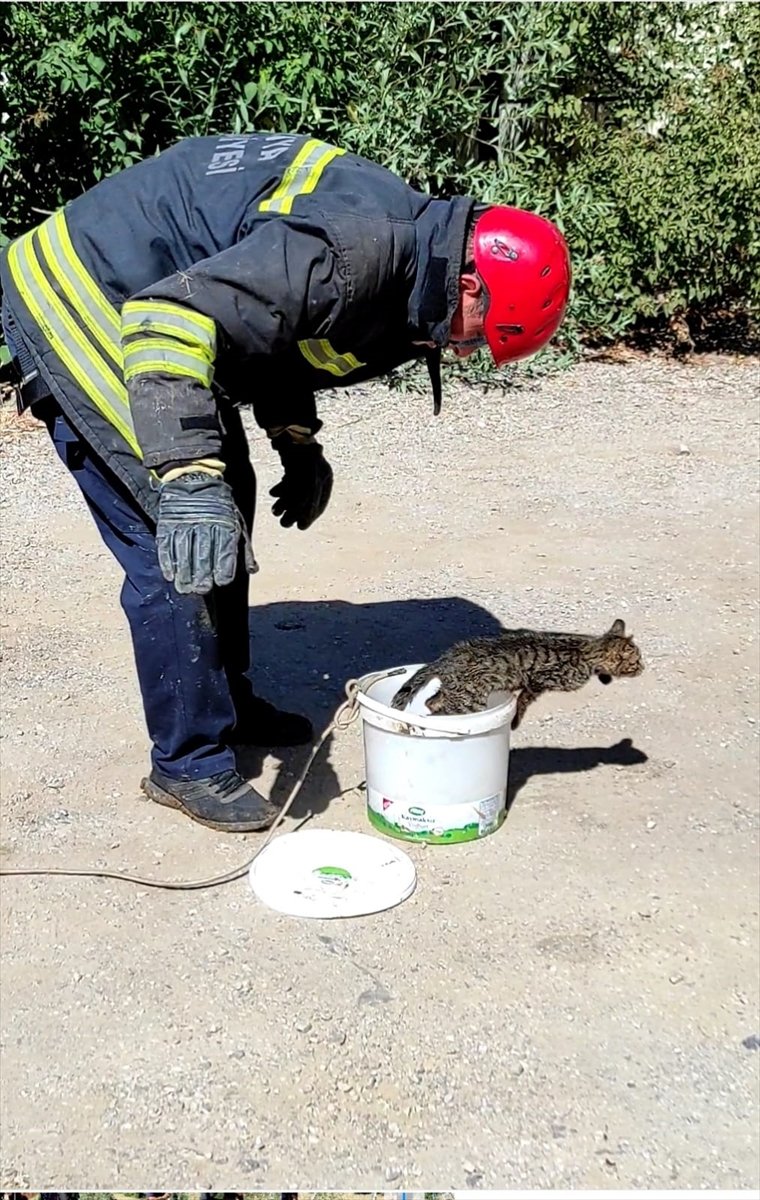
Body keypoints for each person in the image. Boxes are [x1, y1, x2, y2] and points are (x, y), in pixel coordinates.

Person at [0, 131, 571, 834]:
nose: (466, 351)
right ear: (472, 282)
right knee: (173, 535)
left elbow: (274, 331)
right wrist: (184, 476)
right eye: (479, 334)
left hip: (151, 303)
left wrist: (294, 441)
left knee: (225, 497)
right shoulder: (358, 250)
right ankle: (187, 761)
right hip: (90, 297)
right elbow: (168, 318)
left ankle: (224, 701)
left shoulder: (410, 259)